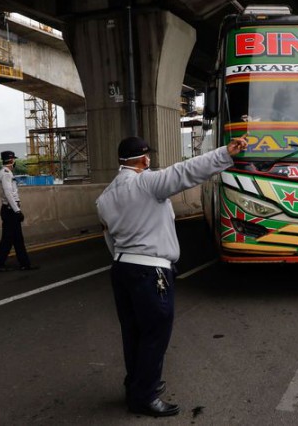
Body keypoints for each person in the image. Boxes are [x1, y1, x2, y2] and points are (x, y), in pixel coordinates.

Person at [96, 134, 248, 417]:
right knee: (154, 334)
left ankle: (136, 385)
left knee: (133, 332)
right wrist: (225, 153)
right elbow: (186, 172)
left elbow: (109, 239)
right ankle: (145, 395)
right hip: (150, 271)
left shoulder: (105, 197)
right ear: (144, 158)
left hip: (122, 267)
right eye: (148, 156)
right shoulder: (147, 183)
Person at [0, 151, 37, 272]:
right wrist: (17, 211)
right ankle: (0, 264)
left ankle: (24, 264)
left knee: (16, 239)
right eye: (14, 160)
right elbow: (8, 194)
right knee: (9, 239)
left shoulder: (5, 173)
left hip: (9, 210)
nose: (14, 162)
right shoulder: (6, 174)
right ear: (11, 160)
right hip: (10, 210)